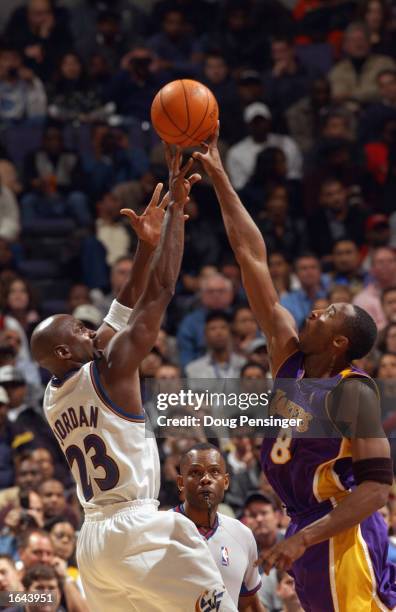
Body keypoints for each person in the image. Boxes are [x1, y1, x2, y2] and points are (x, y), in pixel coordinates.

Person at [192, 124, 396, 610]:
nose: (313, 311)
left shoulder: (353, 392)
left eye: (326, 315)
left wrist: (307, 538)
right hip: (305, 523)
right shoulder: (291, 359)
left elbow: (376, 490)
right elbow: (252, 259)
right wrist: (220, 177)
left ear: (341, 342)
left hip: (340, 532)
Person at [30, 146, 237, 612]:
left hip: (95, 545)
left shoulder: (52, 394)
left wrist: (144, 247)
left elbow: (113, 318)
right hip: (138, 528)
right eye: (80, 329)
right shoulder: (113, 367)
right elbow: (160, 292)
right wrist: (178, 212)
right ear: (66, 350)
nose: (92, 330)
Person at [174, 443, 265, 611]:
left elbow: (250, 605)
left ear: (226, 481)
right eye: (195, 472)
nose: (206, 478)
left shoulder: (242, 535)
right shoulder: (158, 528)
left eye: (214, 471)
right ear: (180, 482)